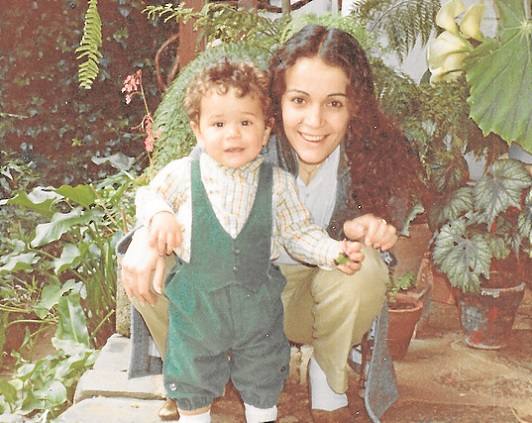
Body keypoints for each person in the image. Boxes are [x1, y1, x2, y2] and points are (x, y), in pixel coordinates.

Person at [121, 25, 402, 422]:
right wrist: (149, 236)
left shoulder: (368, 159)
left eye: (334, 103)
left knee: (365, 267)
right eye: (300, 100)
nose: (315, 120)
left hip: (296, 304)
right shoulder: (241, 142)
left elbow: (330, 236)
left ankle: (326, 377)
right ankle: (188, 378)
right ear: (277, 104)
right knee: (152, 266)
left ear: (355, 105)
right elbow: (174, 193)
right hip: (214, 301)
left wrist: (365, 229)